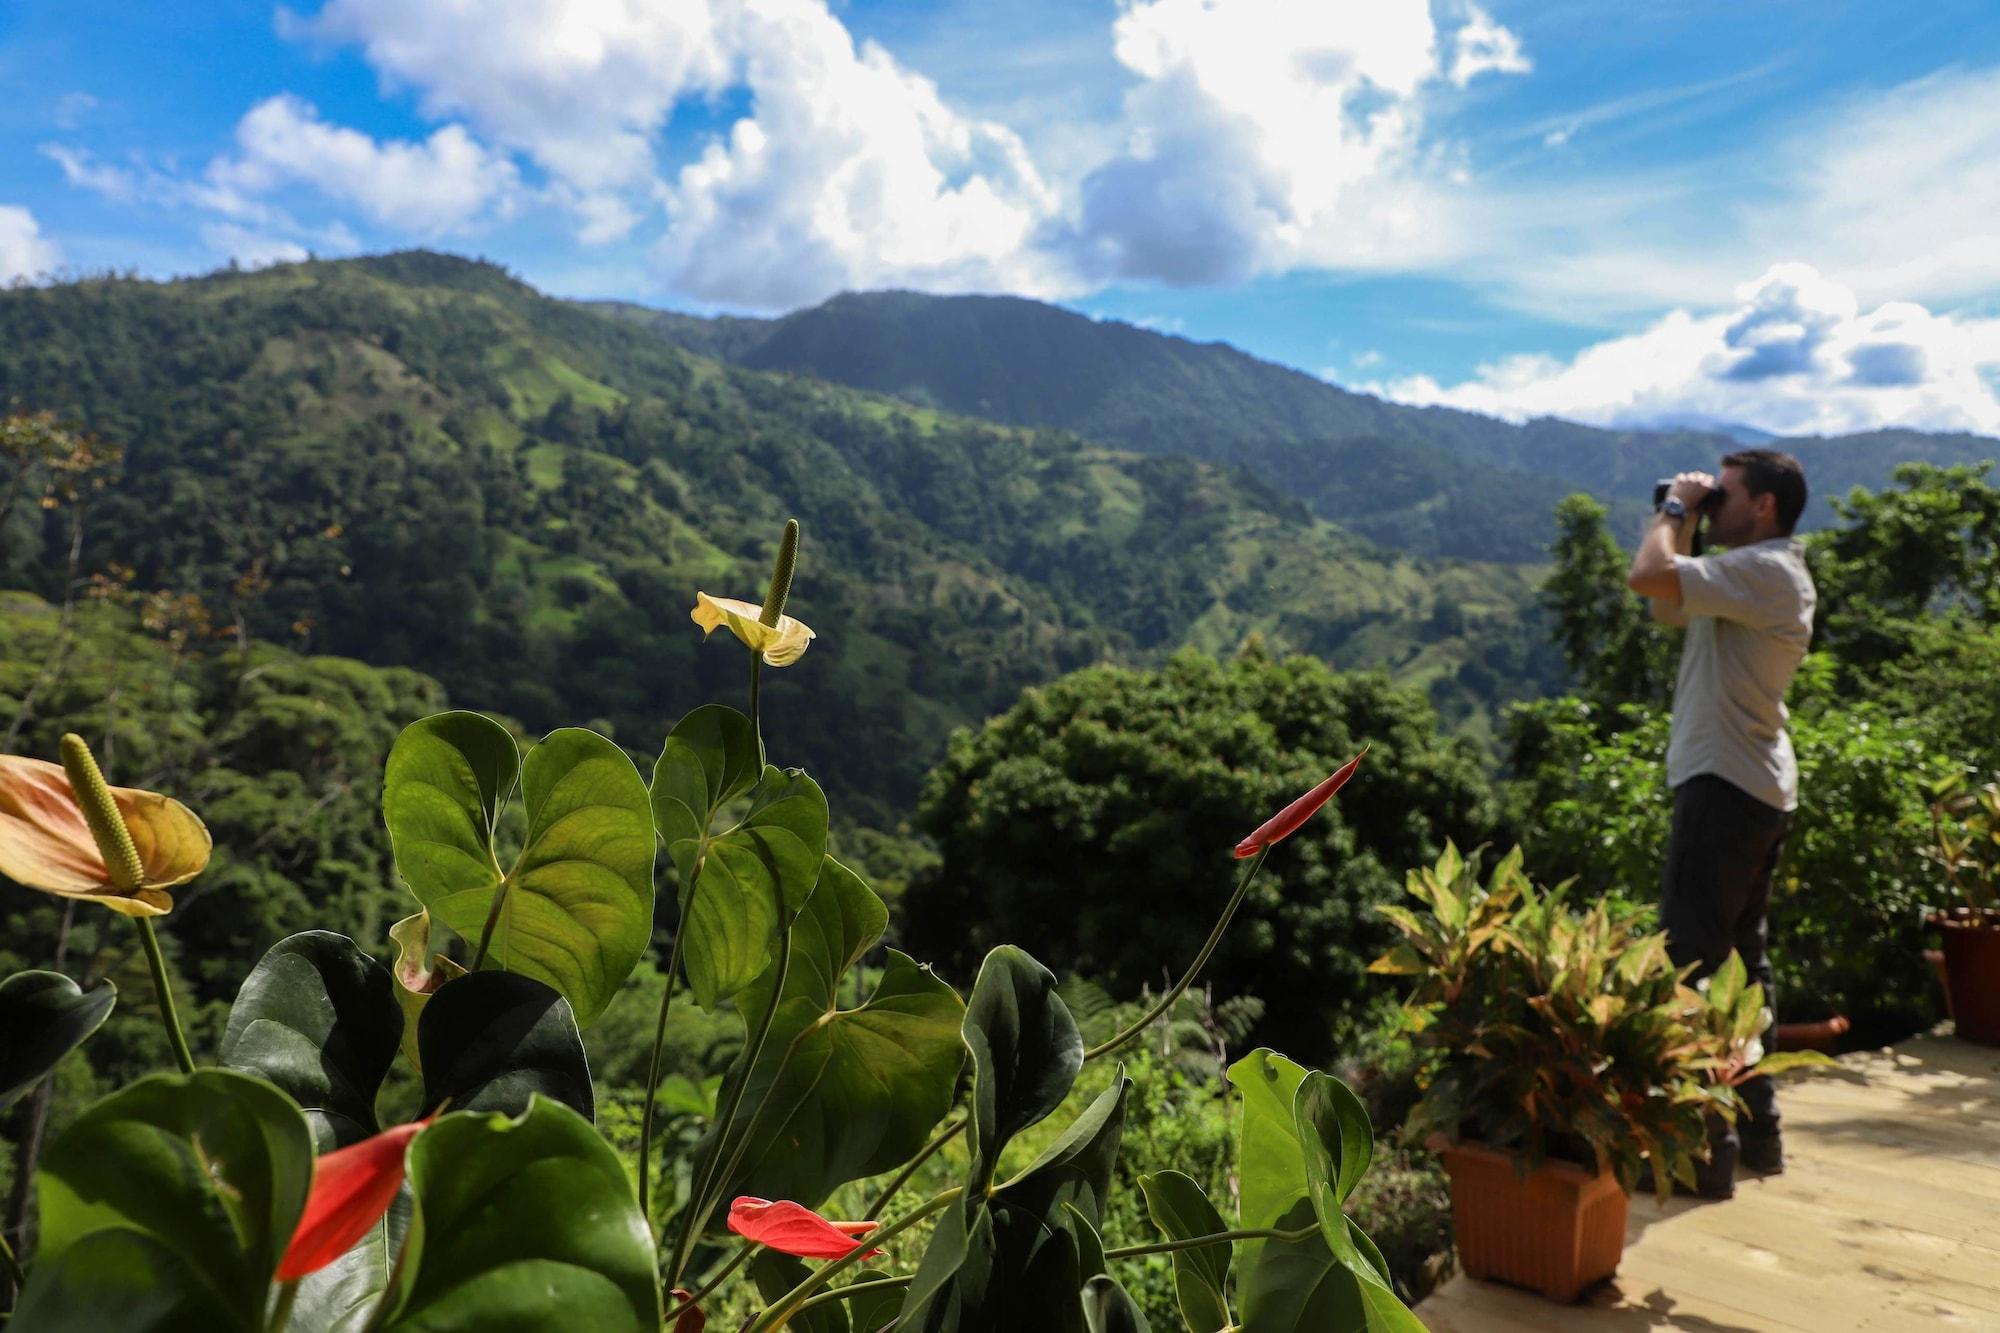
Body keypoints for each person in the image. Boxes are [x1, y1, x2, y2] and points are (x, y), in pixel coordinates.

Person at [1625, 449, 1815, 1186]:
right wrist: (1695, 521)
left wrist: (1676, 507)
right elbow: (1665, 603)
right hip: (1751, 787)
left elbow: (1646, 574)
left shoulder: (1767, 570)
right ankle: (1757, 1133)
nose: (1712, 499)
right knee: (1740, 974)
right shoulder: (1755, 573)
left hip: (1724, 789)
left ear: (1764, 505)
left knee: (1690, 971)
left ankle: (1704, 1155)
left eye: (1725, 493)